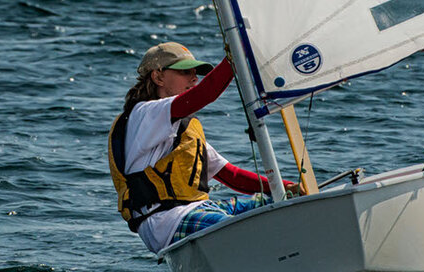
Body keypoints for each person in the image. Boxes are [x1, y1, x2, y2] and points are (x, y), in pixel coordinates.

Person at [106, 41, 292, 254]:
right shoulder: (144, 114)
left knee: (277, 202)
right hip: (165, 223)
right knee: (240, 227)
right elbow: (205, 94)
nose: (194, 79)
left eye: (196, 73)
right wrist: (235, 56)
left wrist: (284, 187)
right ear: (157, 77)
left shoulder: (182, 128)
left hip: (198, 210)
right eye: (185, 72)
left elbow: (232, 176)